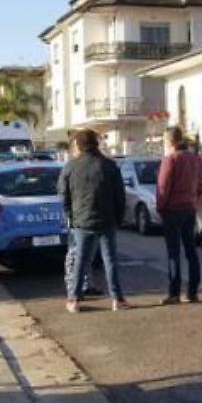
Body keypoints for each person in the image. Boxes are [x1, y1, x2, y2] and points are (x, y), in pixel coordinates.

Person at [58, 129, 131, 313]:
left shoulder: (71, 166)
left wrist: (70, 217)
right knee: (110, 260)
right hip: (107, 220)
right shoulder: (110, 165)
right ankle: (117, 299)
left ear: (78, 144)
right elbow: (120, 196)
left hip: (82, 221)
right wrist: (118, 218)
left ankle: (74, 299)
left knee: (80, 261)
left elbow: (63, 195)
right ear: (96, 143)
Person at [156, 126, 202, 305]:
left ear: (169, 141)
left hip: (172, 210)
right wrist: (194, 202)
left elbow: (163, 187)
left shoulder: (170, 159)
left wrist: (161, 207)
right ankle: (193, 292)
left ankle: (174, 293)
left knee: (173, 252)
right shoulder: (196, 159)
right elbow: (200, 186)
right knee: (191, 250)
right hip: (189, 208)